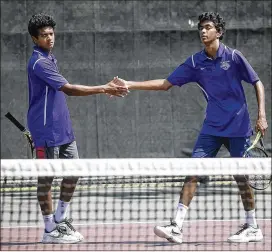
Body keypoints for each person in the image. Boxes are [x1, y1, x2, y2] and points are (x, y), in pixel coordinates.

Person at [113, 12, 268, 243]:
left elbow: (257, 82)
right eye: (201, 28)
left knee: (241, 177)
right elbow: (165, 84)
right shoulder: (195, 63)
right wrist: (130, 84)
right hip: (212, 129)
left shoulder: (234, 57)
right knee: (193, 171)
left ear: (219, 31)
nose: (203, 32)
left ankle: (253, 226)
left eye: (208, 27)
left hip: (238, 127)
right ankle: (176, 226)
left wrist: (261, 114)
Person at [27, 13, 128, 244]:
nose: (49, 38)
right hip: (45, 130)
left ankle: (61, 219)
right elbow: (69, 89)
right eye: (44, 35)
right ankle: (49, 229)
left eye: (51, 33)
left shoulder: (50, 58)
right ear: (35, 39)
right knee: (47, 178)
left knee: (74, 170)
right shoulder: (39, 62)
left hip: (62, 127)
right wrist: (104, 88)